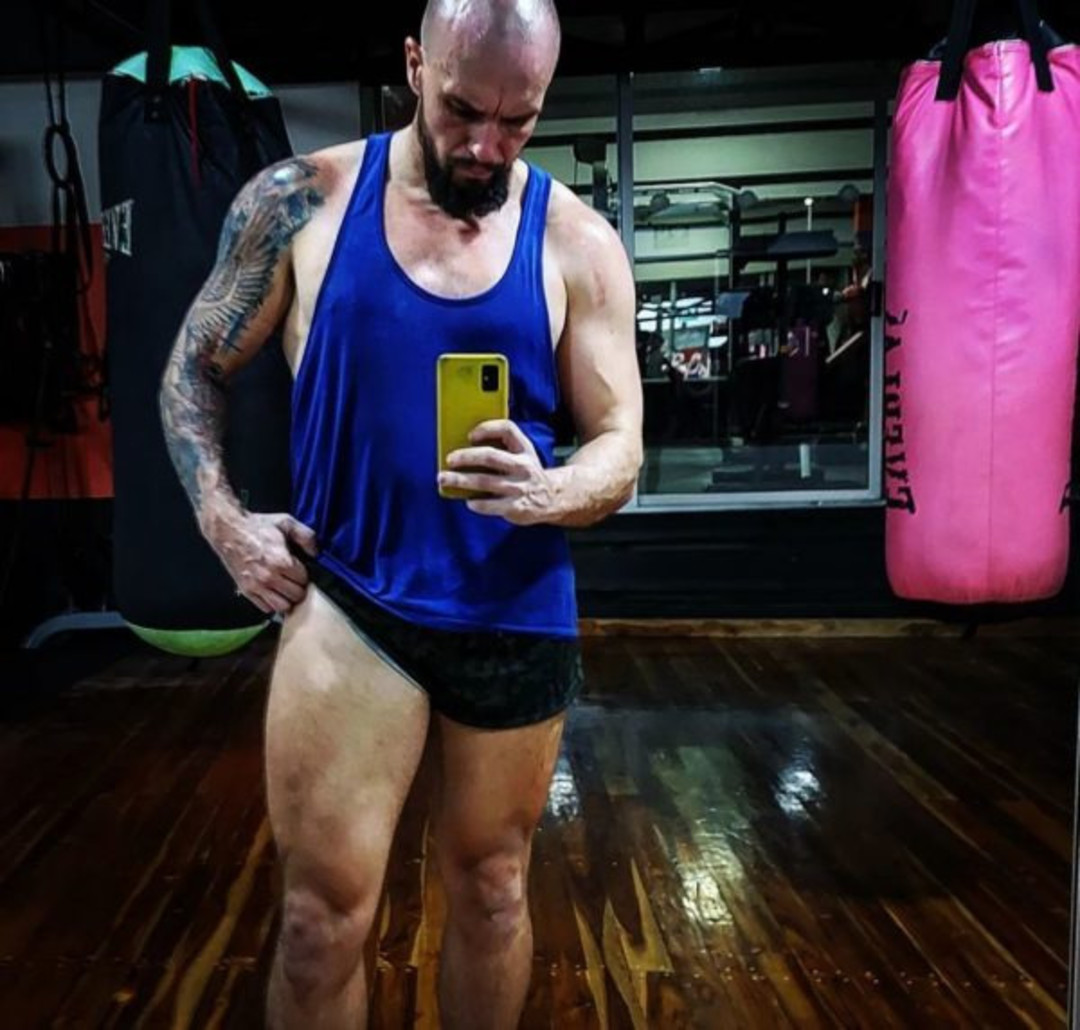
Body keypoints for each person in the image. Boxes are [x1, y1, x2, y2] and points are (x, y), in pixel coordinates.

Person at [157, 1, 643, 1027]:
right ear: (415, 64)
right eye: (464, 110)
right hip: (351, 602)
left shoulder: (578, 242)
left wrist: (552, 490)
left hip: (512, 608)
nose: (486, 147)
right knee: (317, 923)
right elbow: (194, 364)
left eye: (518, 121)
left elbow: (622, 448)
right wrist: (222, 518)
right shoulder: (303, 200)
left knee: (494, 893)